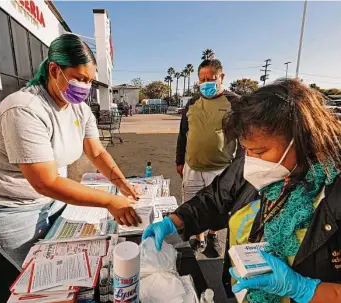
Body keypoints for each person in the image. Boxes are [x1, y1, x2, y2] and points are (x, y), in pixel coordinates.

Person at [144, 79, 341, 303]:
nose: (251, 160)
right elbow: (215, 199)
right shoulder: (253, 167)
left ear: (304, 140)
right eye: (246, 149)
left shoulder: (334, 193)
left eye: (260, 151)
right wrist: (175, 221)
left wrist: (303, 289)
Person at [0, 34, 141, 270]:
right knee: (43, 273)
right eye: (79, 78)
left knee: (74, 260)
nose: (85, 87)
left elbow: (97, 153)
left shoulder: (78, 109)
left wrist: (122, 185)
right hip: (8, 207)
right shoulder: (24, 109)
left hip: (50, 200)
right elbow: (45, 182)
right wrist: (110, 201)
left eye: (89, 81)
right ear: (54, 70)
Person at [175, 58, 239, 256]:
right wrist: (179, 161)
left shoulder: (235, 102)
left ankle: (212, 235)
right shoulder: (193, 103)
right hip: (192, 166)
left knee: (218, 206)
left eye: (210, 78)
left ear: (222, 77)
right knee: (192, 203)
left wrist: (238, 168)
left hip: (220, 167)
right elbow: (183, 133)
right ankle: (200, 238)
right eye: (202, 79)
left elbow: (245, 137)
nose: (205, 83)